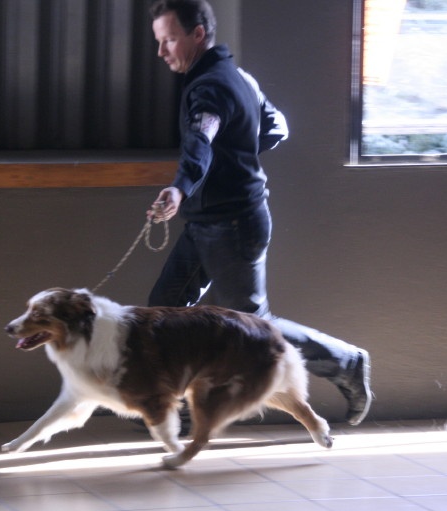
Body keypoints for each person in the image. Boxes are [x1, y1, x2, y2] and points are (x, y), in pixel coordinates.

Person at [146, 0, 372, 425]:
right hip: (210, 221)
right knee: (165, 312)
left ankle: (347, 363)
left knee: (255, 331)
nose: (161, 52)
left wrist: (181, 187)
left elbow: (201, 143)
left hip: (230, 227)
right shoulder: (239, 77)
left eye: (169, 40)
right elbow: (275, 126)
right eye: (159, 41)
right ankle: (175, 411)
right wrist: (231, 159)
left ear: (198, 35)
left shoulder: (209, 88)